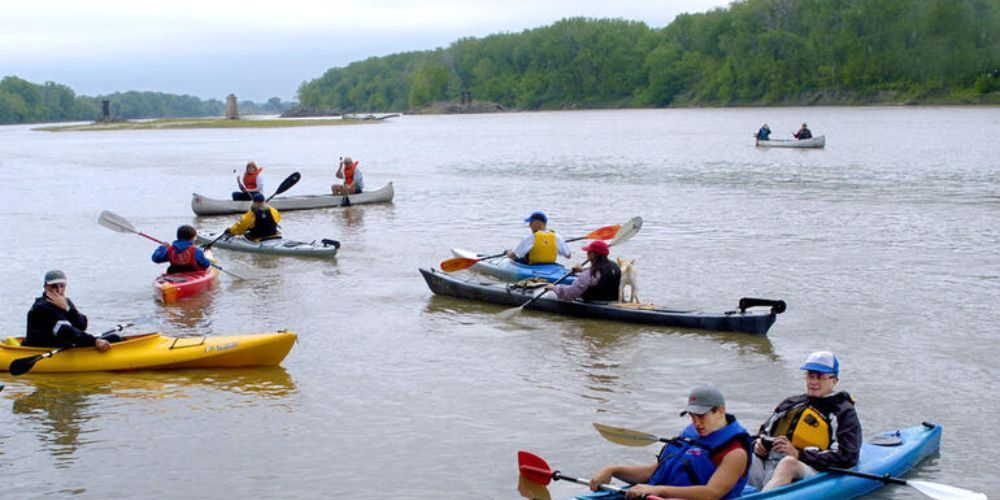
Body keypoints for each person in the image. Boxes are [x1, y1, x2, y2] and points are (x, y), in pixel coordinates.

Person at [589, 385, 751, 499]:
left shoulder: (735, 451)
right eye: (692, 416)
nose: (696, 423)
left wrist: (659, 490)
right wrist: (613, 470)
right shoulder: (692, 434)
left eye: (701, 416)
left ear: (720, 411)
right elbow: (656, 471)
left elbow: (711, 493)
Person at [748, 351, 861, 491]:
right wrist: (758, 445)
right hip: (771, 462)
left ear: (834, 380)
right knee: (741, 454)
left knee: (788, 463)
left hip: (811, 471)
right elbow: (762, 433)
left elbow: (847, 457)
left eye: (820, 377)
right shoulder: (791, 403)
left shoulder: (843, 412)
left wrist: (798, 454)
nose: (813, 382)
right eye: (810, 376)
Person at [24, 270, 113, 351]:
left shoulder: (66, 302)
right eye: (54, 286)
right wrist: (94, 341)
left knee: (114, 338)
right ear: (46, 287)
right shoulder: (41, 307)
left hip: (62, 341)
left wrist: (68, 309)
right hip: (42, 348)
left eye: (62, 286)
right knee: (103, 340)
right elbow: (66, 331)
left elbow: (82, 326)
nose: (59, 290)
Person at [545, 240, 620, 302]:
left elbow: (570, 294)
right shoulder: (615, 266)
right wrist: (582, 269)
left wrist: (554, 288)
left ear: (593, 255)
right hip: (612, 299)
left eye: (588, 252)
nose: (587, 254)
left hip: (594, 301)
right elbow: (599, 274)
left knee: (553, 293)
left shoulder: (588, 274)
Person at [505, 211, 570, 265]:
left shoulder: (530, 238)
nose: (529, 226)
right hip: (550, 266)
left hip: (532, 267)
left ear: (538, 223)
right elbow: (568, 255)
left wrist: (508, 252)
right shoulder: (557, 237)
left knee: (515, 259)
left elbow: (513, 255)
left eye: (531, 223)